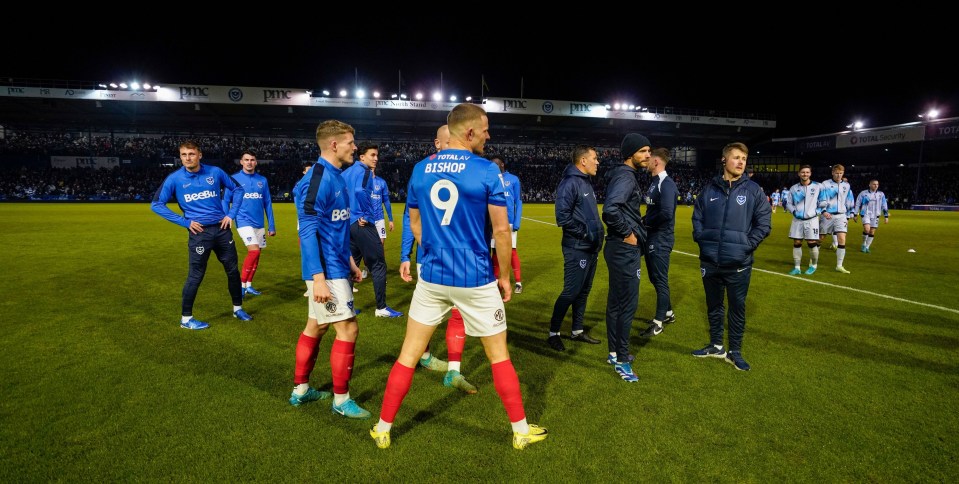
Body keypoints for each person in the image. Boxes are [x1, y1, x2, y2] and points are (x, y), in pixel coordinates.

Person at [370, 103, 547, 450]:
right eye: (484, 130)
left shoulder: (420, 169)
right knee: (499, 356)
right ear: (468, 133)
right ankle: (521, 431)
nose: (488, 135)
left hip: (432, 277)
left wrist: (433, 249)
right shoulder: (485, 171)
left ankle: (383, 427)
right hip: (475, 277)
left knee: (408, 354)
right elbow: (501, 231)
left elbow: (415, 223)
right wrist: (506, 277)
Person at [288, 119, 371, 419]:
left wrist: (351, 263)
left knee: (316, 325)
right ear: (334, 144)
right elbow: (308, 231)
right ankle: (341, 399)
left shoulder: (338, 177)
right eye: (351, 142)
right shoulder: (318, 180)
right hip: (326, 272)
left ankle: (301, 391)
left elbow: (334, 228)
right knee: (348, 329)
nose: (355, 146)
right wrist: (318, 279)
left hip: (338, 266)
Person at [398, 124, 476, 394]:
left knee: (454, 312)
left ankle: (451, 369)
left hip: (446, 254)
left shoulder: (456, 169)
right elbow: (411, 216)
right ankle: (425, 356)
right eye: (448, 142)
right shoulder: (423, 170)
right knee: (429, 316)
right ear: (438, 143)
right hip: (432, 254)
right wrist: (405, 254)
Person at [151, 140, 252, 330]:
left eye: (191, 154)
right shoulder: (174, 179)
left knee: (232, 271)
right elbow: (156, 204)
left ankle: (238, 308)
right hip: (199, 234)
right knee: (195, 275)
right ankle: (186, 319)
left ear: (200, 155)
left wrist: (231, 214)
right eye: (183, 155)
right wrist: (185, 222)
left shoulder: (215, 172)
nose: (188, 158)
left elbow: (238, 189)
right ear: (180, 157)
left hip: (222, 230)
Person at [691, 142, 771, 371]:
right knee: (713, 305)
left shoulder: (754, 190)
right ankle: (716, 345)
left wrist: (747, 245)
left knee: (737, 307)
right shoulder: (709, 190)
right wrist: (702, 240)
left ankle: (735, 351)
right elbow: (697, 219)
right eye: (736, 157)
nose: (740, 162)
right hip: (710, 260)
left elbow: (764, 224)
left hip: (739, 262)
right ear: (724, 160)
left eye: (744, 159)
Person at [602, 133, 650, 382]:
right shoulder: (626, 176)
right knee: (627, 305)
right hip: (624, 248)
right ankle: (622, 360)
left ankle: (614, 352)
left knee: (616, 303)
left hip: (615, 247)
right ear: (630, 153)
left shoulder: (622, 175)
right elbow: (610, 209)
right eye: (643, 151)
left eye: (649, 150)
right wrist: (629, 233)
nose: (648, 155)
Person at [547, 145, 604, 351]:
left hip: (591, 247)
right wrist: (585, 233)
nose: (598, 162)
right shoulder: (570, 183)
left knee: (584, 292)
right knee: (571, 291)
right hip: (577, 247)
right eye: (595, 158)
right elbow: (562, 217)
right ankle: (553, 333)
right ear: (583, 161)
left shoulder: (585, 183)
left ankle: (577, 330)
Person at [343, 142, 402, 318]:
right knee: (378, 264)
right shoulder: (365, 171)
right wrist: (364, 214)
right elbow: (361, 191)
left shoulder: (346, 172)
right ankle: (381, 308)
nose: (376, 159)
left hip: (349, 224)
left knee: (352, 264)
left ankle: (347, 307)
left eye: (377, 155)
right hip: (363, 224)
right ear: (362, 157)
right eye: (372, 155)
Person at [223, 150, 276, 296]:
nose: (249, 162)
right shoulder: (233, 179)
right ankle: (240, 285)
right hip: (243, 220)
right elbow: (226, 200)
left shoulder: (262, 180)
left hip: (259, 223)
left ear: (256, 162)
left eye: (252, 159)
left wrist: (271, 225)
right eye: (246, 160)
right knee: (254, 251)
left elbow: (268, 203)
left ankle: (249, 285)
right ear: (241, 162)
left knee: (257, 255)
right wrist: (227, 217)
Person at [639, 147, 678, 338]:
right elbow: (655, 211)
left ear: (656, 161)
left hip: (661, 238)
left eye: (649, 158)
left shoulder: (666, 183)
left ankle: (658, 322)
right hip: (652, 236)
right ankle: (668, 313)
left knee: (660, 280)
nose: (646, 160)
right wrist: (643, 220)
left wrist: (646, 221)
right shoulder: (655, 182)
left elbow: (666, 213)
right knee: (655, 278)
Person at [490, 156, 523, 294]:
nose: (494, 167)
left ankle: (518, 282)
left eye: (496, 164)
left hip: (509, 221)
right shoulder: (491, 179)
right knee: (495, 252)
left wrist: (516, 221)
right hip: (493, 221)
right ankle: (494, 281)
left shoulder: (513, 179)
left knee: (511, 251)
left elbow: (518, 201)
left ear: (502, 164)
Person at [784, 165, 825, 275]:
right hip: (797, 220)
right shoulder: (794, 188)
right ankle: (797, 267)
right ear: (799, 174)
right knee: (797, 242)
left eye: (807, 172)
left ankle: (814, 265)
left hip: (812, 220)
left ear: (810, 173)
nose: (805, 174)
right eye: (803, 172)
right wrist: (794, 212)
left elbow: (823, 202)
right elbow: (788, 203)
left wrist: (817, 212)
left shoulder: (818, 186)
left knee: (812, 243)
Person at [819, 164, 855, 273]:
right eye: (837, 173)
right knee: (821, 238)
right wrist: (823, 211)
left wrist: (851, 212)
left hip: (841, 215)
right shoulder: (825, 184)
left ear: (843, 173)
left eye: (841, 173)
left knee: (842, 239)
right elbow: (820, 198)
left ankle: (839, 265)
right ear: (832, 173)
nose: (839, 175)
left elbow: (848, 200)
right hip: (828, 215)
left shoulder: (847, 185)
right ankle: (813, 260)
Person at [854, 179, 889, 253]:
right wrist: (855, 214)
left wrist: (886, 216)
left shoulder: (881, 194)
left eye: (877, 184)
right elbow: (857, 203)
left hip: (876, 215)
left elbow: (884, 205)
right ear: (870, 185)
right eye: (874, 184)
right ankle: (863, 244)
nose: (876, 186)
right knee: (867, 229)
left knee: (872, 232)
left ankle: (867, 246)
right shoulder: (863, 193)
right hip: (865, 213)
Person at [371, 168, 394, 247]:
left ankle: (381, 260)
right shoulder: (361, 182)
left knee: (380, 246)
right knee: (368, 248)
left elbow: (386, 201)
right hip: (367, 219)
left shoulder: (381, 182)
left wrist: (390, 219)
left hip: (379, 218)